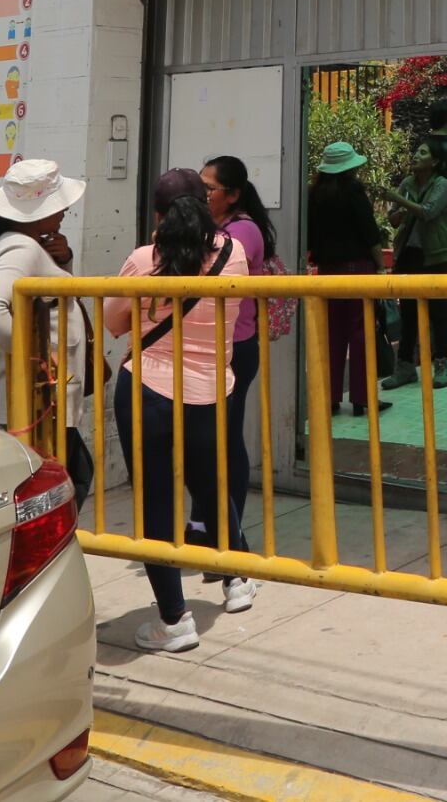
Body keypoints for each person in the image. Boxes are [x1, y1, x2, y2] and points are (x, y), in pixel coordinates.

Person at [104, 190, 251, 653]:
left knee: (155, 501)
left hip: (148, 386)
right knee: (210, 487)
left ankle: (173, 619)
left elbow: (114, 322)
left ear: (159, 215)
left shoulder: (143, 259)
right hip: (211, 390)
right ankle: (238, 579)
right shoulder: (234, 253)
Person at [0, 158, 95, 509]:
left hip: (37, 404)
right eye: (59, 204)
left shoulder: (26, 245)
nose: (65, 211)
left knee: (71, 478)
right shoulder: (21, 249)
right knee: (60, 490)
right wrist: (39, 354)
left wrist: (62, 260)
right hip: (34, 406)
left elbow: (47, 298)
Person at [198, 154, 279, 614]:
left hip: (236, 346)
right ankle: (214, 533)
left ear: (232, 194)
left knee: (225, 440)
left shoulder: (242, 231)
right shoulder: (217, 226)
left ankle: (231, 539)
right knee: (214, 441)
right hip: (213, 347)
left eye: (209, 188)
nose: (203, 194)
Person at [308, 141, 388, 417]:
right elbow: (370, 232)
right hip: (358, 267)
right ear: (349, 168)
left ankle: (329, 397)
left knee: (331, 332)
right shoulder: (353, 191)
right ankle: (361, 398)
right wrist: (381, 267)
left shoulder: (314, 194)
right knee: (361, 331)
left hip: (327, 270)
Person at [375, 138, 447, 388]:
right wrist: (398, 211)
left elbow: (428, 212)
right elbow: (393, 220)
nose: (416, 156)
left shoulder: (442, 185)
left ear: (435, 161)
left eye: (423, 152)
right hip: (408, 254)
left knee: (439, 312)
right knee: (408, 313)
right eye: (416, 152)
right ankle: (405, 366)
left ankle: (443, 364)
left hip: (436, 255)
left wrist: (399, 200)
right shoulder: (407, 183)